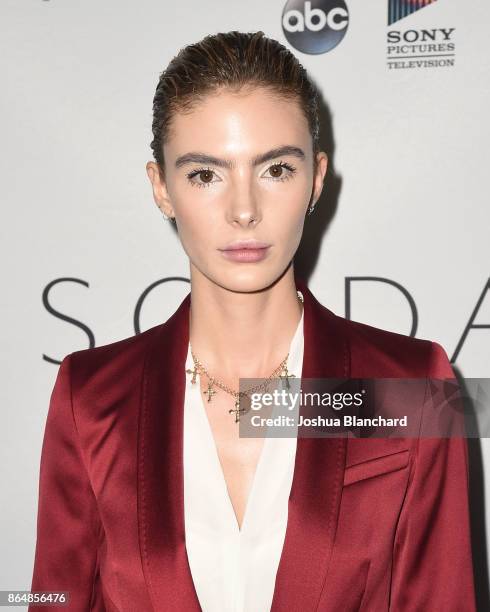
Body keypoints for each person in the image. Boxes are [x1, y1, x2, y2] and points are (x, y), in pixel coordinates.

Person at [29, 31, 476, 611]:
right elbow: (50, 601)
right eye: (205, 175)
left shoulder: (413, 385)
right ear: (161, 188)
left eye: (276, 170)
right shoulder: (89, 397)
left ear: (316, 179)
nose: (244, 210)